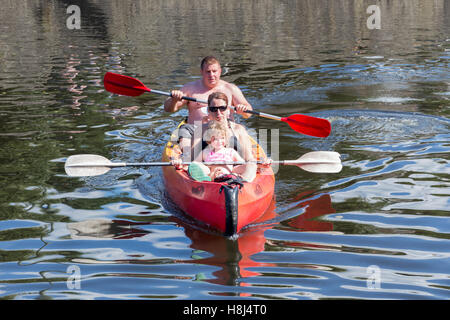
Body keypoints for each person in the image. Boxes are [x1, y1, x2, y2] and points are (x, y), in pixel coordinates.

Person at [164, 56, 253, 158]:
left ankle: (241, 158)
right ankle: (187, 157)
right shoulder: (190, 88)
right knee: (184, 131)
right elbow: (168, 109)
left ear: (220, 71)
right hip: (195, 129)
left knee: (237, 135)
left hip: (224, 129)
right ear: (202, 72)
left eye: (214, 71)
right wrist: (174, 100)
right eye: (208, 71)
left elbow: (248, 113)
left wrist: (243, 110)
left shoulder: (230, 88)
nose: (212, 75)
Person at [172, 92, 271, 182]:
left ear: (228, 110)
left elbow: (249, 158)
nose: (218, 113)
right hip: (209, 171)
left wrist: (261, 164)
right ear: (208, 111)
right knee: (194, 165)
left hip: (234, 171)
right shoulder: (200, 130)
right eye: (214, 109)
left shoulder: (238, 130)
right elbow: (191, 158)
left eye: (222, 108)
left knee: (251, 165)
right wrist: (180, 162)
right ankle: (206, 180)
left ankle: (242, 183)